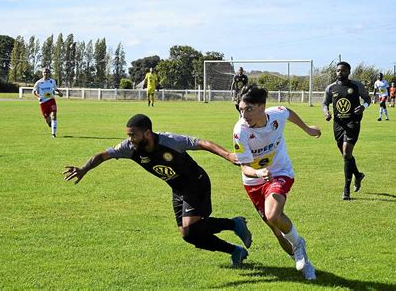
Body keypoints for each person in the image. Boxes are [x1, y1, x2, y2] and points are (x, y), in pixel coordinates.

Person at [63, 114, 253, 267]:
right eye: (128, 135)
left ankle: (234, 224)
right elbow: (103, 155)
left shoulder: (170, 141)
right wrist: (83, 169)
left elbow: (201, 143)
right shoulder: (129, 148)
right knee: (187, 235)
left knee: (190, 227)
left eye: (133, 135)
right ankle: (235, 250)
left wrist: (227, 155)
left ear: (147, 133)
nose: (130, 139)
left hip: (196, 183)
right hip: (177, 189)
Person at [232, 85, 321, 280]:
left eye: (248, 109)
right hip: (253, 181)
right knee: (276, 230)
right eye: (241, 109)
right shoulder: (240, 131)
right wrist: (257, 172)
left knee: (273, 214)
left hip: (280, 172)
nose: (243, 114)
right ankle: (304, 259)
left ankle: (298, 245)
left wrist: (308, 129)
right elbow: (244, 167)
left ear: (262, 107)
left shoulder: (277, 114)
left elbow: (288, 113)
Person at [323, 61, 371, 200]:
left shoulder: (356, 86)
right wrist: (326, 112)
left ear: (349, 72)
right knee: (347, 156)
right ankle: (358, 174)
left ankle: (346, 190)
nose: (340, 72)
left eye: (343, 70)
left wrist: (363, 106)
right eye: (338, 70)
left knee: (346, 153)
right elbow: (325, 103)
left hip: (353, 122)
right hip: (338, 124)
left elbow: (367, 99)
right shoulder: (331, 88)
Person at [32, 68, 63, 138]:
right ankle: (50, 124)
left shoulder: (52, 81)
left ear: (49, 73)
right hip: (43, 102)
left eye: (47, 72)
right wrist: (38, 97)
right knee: (47, 119)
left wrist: (59, 93)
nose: (46, 74)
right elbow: (34, 92)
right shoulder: (38, 83)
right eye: (44, 72)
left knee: (54, 115)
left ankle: (53, 134)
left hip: (51, 100)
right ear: (42, 73)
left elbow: (55, 89)